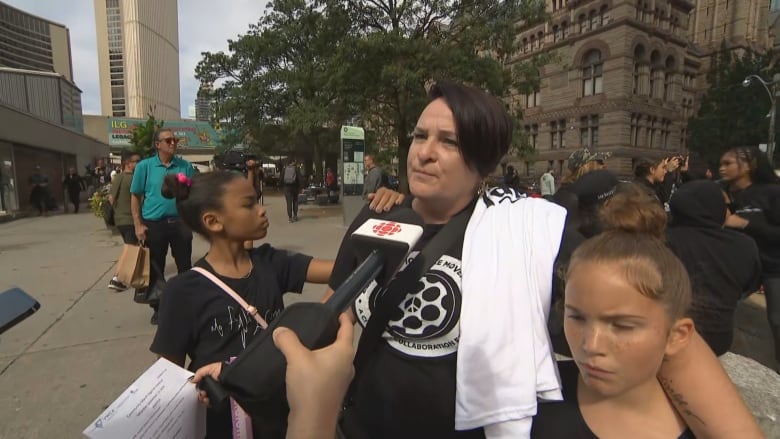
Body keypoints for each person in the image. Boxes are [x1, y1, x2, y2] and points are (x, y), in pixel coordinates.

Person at [326, 83, 762, 439]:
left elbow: (654, 321)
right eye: (420, 136)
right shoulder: (377, 216)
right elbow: (336, 310)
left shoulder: (530, 233)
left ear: (484, 161)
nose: (424, 152)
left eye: (449, 142)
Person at [151, 171, 334, 438]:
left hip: (279, 416)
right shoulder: (183, 291)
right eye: (249, 204)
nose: (262, 210)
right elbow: (170, 380)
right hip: (223, 424)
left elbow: (342, 270)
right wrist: (199, 390)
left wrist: (383, 219)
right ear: (213, 221)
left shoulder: (271, 263)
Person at [532, 197, 697, 438]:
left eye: (622, 326)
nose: (591, 345)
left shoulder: (707, 427)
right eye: (577, 317)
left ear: (676, 336)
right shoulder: (529, 401)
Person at [667, 180, 762, 355]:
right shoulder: (745, 245)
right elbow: (750, 285)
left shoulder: (661, 240)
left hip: (669, 336)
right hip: (718, 338)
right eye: (725, 205)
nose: (728, 211)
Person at [719, 146, 780, 371]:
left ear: (748, 165)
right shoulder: (726, 192)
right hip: (742, 266)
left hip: (774, 266)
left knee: (776, 319)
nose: (721, 168)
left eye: (728, 163)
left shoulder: (772, 192)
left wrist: (745, 223)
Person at [130, 129, 195, 325]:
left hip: (180, 223)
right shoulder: (145, 166)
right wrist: (138, 225)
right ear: (157, 144)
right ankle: (159, 308)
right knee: (155, 268)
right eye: (168, 140)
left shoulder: (184, 166)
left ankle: (187, 305)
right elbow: (135, 196)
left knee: (185, 265)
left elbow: (191, 194)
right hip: (154, 224)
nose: (173, 143)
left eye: (175, 140)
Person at [107, 150, 142, 291]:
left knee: (130, 247)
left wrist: (117, 211)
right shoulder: (131, 178)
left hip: (121, 219)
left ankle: (128, 275)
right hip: (129, 219)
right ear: (128, 164)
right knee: (130, 248)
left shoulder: (119, 177)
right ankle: (117, 278)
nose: (139, 164)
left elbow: (111, 198)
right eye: (137, 162)